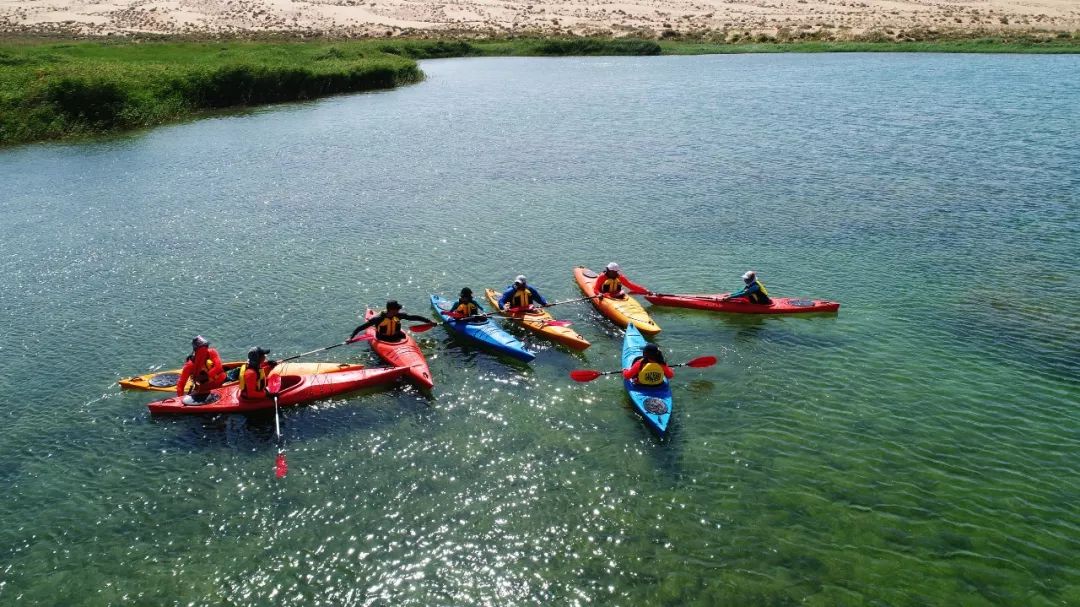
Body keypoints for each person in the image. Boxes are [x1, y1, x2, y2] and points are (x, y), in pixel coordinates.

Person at [349, 300, 435, 343]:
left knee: (402, 335)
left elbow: (413, 317)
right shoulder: (378, 319)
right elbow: (360, 328)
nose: (399, 310)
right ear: (391, 310)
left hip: (397, 336)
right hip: (383, 339)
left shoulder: (398, 315)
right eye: (397, 309)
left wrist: (428, 321)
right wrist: (350, 338)